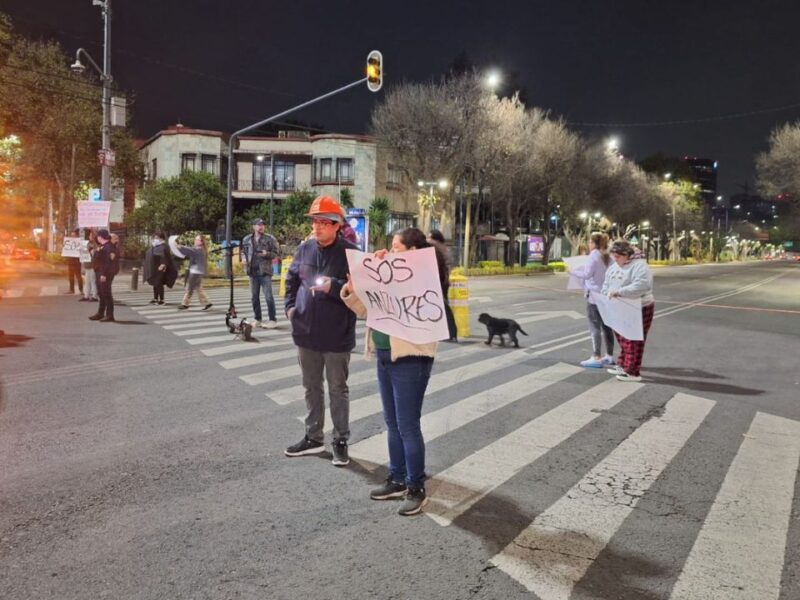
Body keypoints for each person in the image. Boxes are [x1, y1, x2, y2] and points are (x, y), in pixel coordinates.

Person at [341, 227, 447, 516]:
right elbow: (367, 310)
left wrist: (386, 271)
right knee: (392, 422)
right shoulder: (389, 273)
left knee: (407, 424)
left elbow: (418, 305)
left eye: (396, 247)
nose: (390, 250)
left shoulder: (424, 277)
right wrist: (357, 285)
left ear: (413, 252)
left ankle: (416, 487)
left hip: (411, 356)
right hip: (385, 353)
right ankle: (397, 477)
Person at [284, 195, 358, 467]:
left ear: (337, 225)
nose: (317, 227)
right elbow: (291, 279)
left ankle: (340, 441)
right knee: (311, 386)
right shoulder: (304, 250)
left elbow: (360, 292)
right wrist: (290, 309)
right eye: (315, 222)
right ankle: (313, 437)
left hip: (337, 333)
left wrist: (334, 285)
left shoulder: (351, 253)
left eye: (324, 222)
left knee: (338, 389)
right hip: (305, 330)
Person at [601, 239, 655, 382]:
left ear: (626, 254)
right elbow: (607, 282)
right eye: (614, 256)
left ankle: (632, 372)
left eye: (618, 256)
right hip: (620, 307)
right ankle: (623, 364)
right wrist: (605, 292)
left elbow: (642, 285)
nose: (615, 259)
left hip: (639, 306)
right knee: (622, 337)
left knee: (633, 339)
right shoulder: (614, 266)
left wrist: (619, 292)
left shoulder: (640, 266)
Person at [569, 232, 615, 368]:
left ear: (594, 243)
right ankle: (609, 356)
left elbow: (586, 274)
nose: (588, 244)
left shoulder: (593, 256)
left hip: (594, 297)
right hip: (606, 296)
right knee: (607, 327)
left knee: (595, 327)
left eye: (590, 242)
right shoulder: (608, 256)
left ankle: (596, 356)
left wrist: (572, 271)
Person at [241, 218, 280, 328]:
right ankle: (257, 318)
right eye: (258, 225)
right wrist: (244, 259)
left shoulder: (270, 238)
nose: (261, 226)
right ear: (253, 226)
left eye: (263, 224)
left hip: (265, 272)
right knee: (254, 297)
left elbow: (276, 253)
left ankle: (272, 319)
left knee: (268, 297)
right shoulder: (247, 239)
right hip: (252, 272)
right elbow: (243, 251)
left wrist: (267, 253)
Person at [427, 229, 458, 342]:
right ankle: (449, 332)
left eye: (430, 236)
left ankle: (450, 333)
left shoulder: (434, 245)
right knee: (443, 306)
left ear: (435, 238)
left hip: (439, 280)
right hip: (444, 280)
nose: (428, 238)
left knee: (443, 307)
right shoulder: (445, 248)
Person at [169, 234, 212, 310]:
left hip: (195, 271)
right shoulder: (202, 250)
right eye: (195, 239)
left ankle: (185, 304)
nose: (195, 241)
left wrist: (178, 246)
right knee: (198, 287)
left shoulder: (198, 250)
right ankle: (207, 302)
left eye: (197, 240)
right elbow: (190, 251)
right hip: (199, 272)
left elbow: (188, 250)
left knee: (189, 287)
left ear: (201, 242)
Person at [89, 229, 118, 322]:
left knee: (106, 294)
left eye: (98, 236)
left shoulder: (109, 247)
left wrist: (104, 274)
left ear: (101, 237)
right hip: (99, 272)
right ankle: (100, 313)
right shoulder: (103, 246)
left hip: (104, 273)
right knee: (101, 294)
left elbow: (108, 262)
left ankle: (110, 315)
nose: (97, 238)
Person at [143, 231, 177, 305]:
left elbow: (167, 257)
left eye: (157, 238)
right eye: (154, 237)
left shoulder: (164, 246)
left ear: (161, 238)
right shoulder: (154, 246)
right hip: (153, 267)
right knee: (155, 283)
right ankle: (155, 298)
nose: (155, 239)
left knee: (159, 283)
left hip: (160, 268)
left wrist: (163, 264)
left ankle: (162, 300)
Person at [65, 228, 84, 296]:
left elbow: (82, 251)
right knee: (70, 276)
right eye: (71, 235)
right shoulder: (68, 242)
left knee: (78, 276)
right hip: (70, 261)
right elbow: (66, 250)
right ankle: (71, 289)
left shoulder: (79, 242)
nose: (72, 237)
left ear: (76, 236)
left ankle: (81, 289)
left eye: (74, 235)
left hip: (77, 262)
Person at [80, 229, 98, 302]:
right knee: (87, 281)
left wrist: (93, 252)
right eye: (90, 235)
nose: (90, 237)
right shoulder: (86, 243)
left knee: (93, 281)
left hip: (93, 266)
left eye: (92, 235)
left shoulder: (96, 245)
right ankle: (86, 295)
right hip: (87, 265)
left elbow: (97, 255)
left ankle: (94, 296)